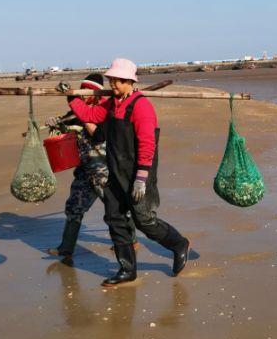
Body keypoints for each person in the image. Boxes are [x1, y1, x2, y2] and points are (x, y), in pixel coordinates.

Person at [67, 57, 190, 287]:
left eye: (117, 80)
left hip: (138, 172)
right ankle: (127, 269)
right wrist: (72, 99)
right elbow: (91, 116)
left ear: (130, 81)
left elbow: (147, 144)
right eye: (111, 80)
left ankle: (178, 244)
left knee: (143, 220)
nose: (112, 84)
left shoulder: (141, 106)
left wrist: (141, 178)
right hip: (116, 171)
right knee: (114, 217)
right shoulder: (112, 103)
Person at [45, 73, 129, 264]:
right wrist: (55, 123)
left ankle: (129, 241)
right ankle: (66, 248)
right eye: (81, 91)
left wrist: (82, 118)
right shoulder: (74, 113)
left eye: (87, 92)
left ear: (97, 94)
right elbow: (63, 130)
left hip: (102, 170)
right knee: (74, 207)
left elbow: (98, 135)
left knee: (114, 207)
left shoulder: (105, 111)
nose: (83, 96)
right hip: (84, 170)